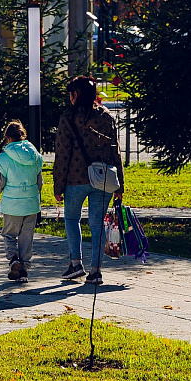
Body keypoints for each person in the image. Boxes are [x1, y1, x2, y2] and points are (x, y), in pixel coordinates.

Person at [52, 76, 123, 285]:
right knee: (97, 223)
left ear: (76, 94)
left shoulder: (68, 117)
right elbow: (115, 151)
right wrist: (120, 184)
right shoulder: (106, 116)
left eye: (71, 93)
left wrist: (58, 185)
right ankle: (96, 271)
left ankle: (75, 263)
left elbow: (62, 153)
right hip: (103, 179)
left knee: (72, 219)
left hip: (75, 179)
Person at [0, 119, 43, 283]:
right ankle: (24, 271)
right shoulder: (35, 157)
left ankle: (13, 259)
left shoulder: (3, 159)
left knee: (9, 234)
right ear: (23, 136)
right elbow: (39, 182)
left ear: (7, 138)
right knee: (27, 237)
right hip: (31, 203)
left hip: (12, 204)